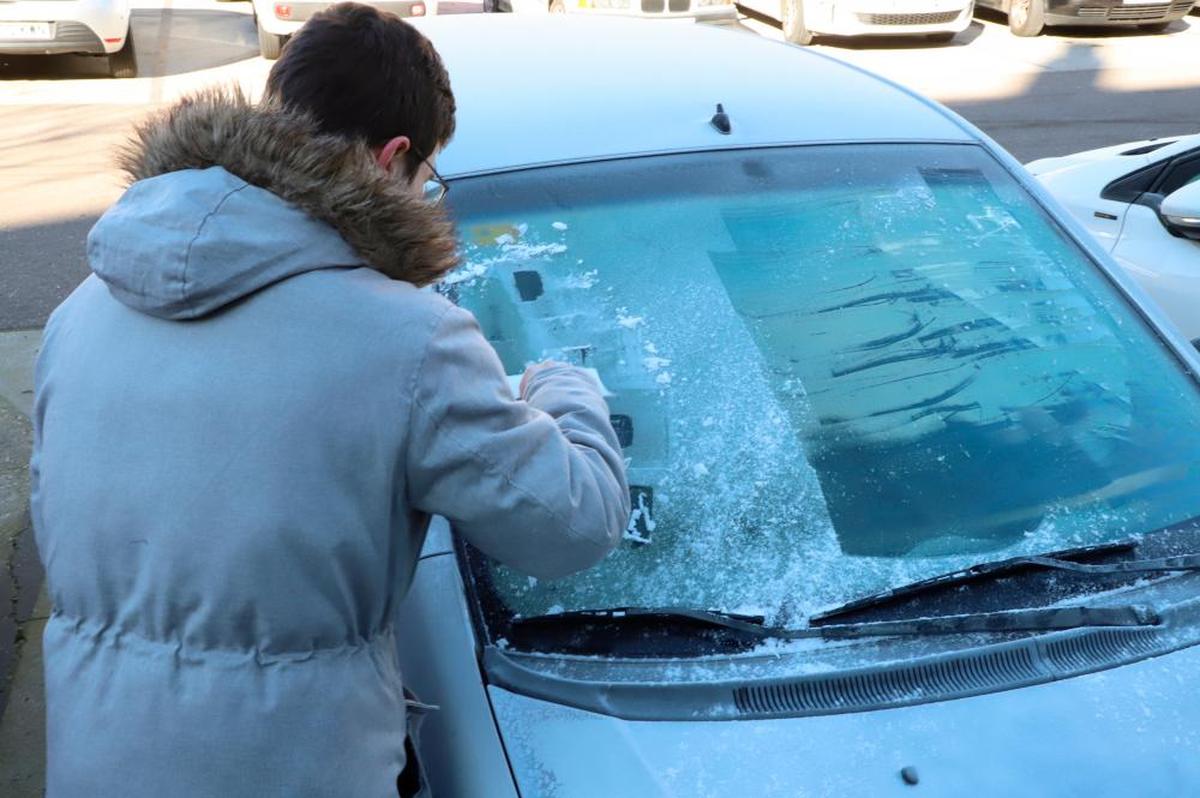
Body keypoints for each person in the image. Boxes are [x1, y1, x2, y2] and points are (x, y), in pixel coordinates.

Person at [28, 4, 630, 795]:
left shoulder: (81, 313)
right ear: (393, 159)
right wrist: (563, 385)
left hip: (94, 766)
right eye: (429, 181)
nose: (427, 199)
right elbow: (572, 526)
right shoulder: (409, 339)